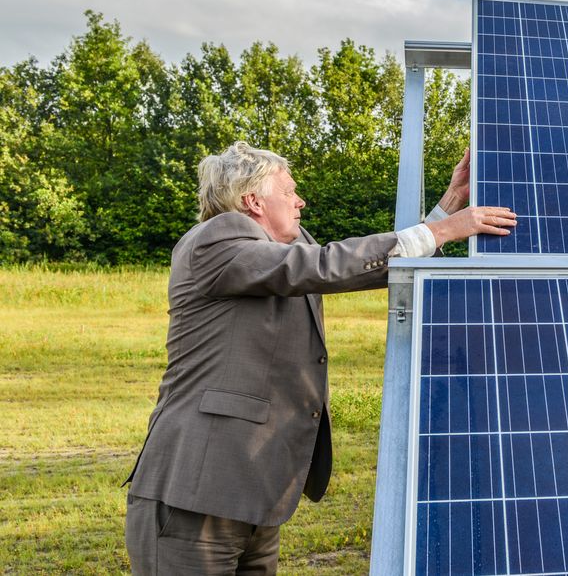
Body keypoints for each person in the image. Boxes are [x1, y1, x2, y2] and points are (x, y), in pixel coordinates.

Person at [123, 142, 517, 574]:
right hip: (197, 492)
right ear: (253, 201)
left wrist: (449, 205)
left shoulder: (277, 249)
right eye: (289, 191)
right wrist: (443, 231)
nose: (300, 200)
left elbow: (374, 264)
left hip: (253, 494)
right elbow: (324, 265)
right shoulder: (216, 240)